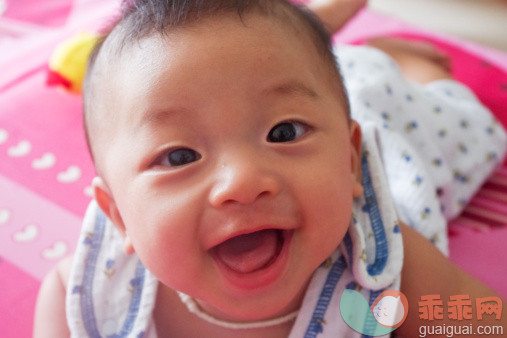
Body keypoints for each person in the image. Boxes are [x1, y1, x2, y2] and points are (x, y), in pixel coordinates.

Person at [34, 0, 507, 337]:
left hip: (402, 140)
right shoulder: (89, 300)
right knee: (279, 68)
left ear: (348, 161)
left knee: (464, 125)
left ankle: (406, 60)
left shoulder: (392, 269)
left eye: (283, 134)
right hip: (309, 94)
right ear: (118, 216)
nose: (241, 182)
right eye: (179, 157)